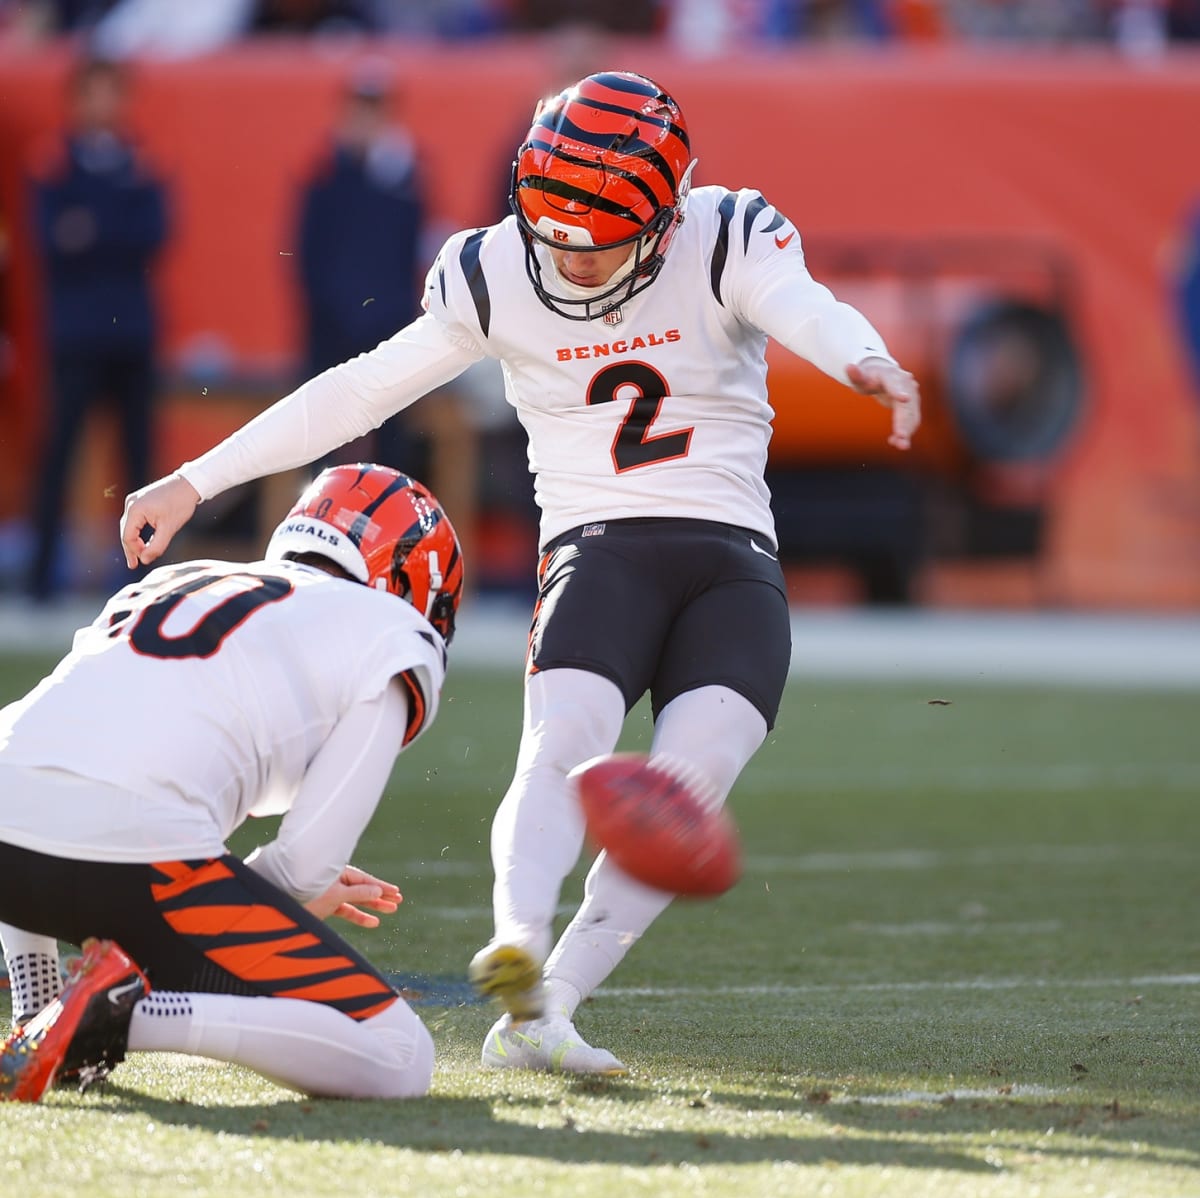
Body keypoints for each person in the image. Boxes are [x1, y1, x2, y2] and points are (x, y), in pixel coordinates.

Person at [119, 71, 921, 1075]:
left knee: (694, 780)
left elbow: (806, 307)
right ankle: (519, 947)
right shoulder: (497, 270)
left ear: (668, 217)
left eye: (604, 246)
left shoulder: (725, 234)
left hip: (731, 559)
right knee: (560, 744)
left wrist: (865, 359)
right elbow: (357, 391)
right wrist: (196, 482)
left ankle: (549, 1008)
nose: (575, 268)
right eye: (556, 242)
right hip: (597, 548)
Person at [1, 463, 464, 1102]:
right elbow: (302, 867)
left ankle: (38, 1007)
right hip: (133, 850)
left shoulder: (177, 578)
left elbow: (55, 751)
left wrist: (256, 894)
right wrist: (277, 899)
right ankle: (118, 1019)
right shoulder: (391, 632)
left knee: (39, 771)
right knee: (400, 1055)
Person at [27, 53, 169, 601]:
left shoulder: (142, 161)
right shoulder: (53, 163)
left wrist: (91, 227)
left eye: (113, 92)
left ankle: (148, 574)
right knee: (58, 453)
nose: (103, 104)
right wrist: (111, 228)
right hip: (77, 336)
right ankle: (41, 577)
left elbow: (153, 234)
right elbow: (52, 241)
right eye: (94, 92)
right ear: (77, 99)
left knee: (140, 461)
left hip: (131, 333)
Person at [295, 62, 427, 474]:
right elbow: (308, 257)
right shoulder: (325, 177)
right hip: (331, 329)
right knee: (319, 439)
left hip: (386, 326)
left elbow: (407, 249)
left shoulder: (405, 178)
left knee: (392, 437)